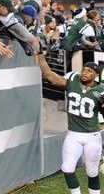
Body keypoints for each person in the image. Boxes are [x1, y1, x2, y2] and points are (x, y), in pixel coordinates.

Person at [38, 59, 104, 194]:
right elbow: (48, 75)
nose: (84, 73)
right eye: (84, 69)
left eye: (89, 71)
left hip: (92, 136)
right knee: (67, 168)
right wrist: (39, 54)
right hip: (73, 134)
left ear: (96, 75)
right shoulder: (72, 80)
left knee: (92, 172)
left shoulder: (101, 90)